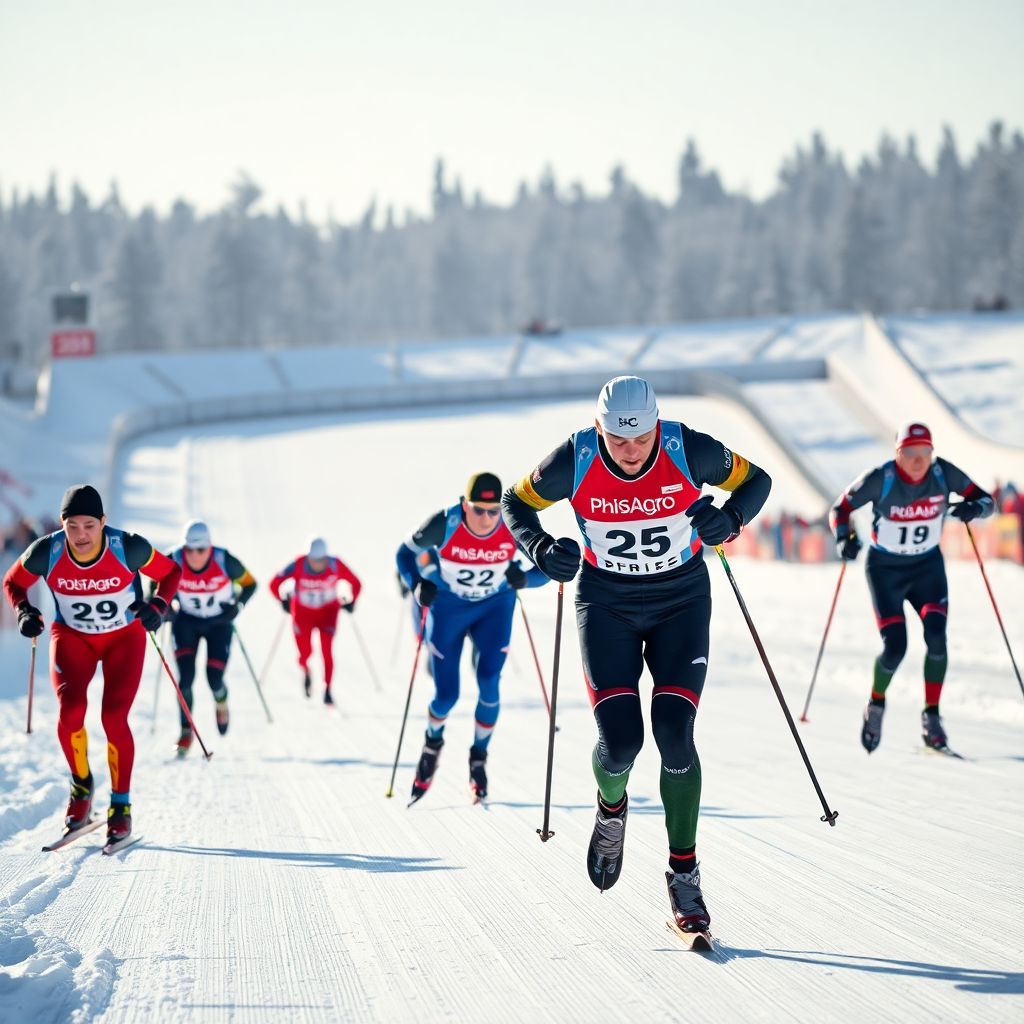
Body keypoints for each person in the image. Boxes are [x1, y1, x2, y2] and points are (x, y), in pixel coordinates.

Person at [501, 376, 771, 936]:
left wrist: (732, 518)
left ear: (656, 425)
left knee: (675, 732)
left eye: (640, 438)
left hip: (682, 600)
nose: (630, 451)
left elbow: (757, 480)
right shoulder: (572, 458)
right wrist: (542, 548)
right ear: (600, 429)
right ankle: (611, 806)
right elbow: (514, 502)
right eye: (618, 440)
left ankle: (684, 873)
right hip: (607, 604)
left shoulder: (685, 446)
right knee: (621, 742)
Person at [1, 484, 180, 845]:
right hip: (73, 637)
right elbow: (12, 582)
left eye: (89, 525)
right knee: (70, 713)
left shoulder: (128, 546)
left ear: (103, 522)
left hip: (123, 639)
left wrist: (158, 607)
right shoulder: (46, 551)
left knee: (113, 717)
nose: (81, 535)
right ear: (62, 525)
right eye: (72, 526)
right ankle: (81, 787)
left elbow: (171, 573)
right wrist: (23, 611)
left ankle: (121, 805)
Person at [831, 421, 994, 754]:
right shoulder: (882, 478)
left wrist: (972, 508)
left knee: (937, 637)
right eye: (910, 453)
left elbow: (987, 501)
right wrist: (844, 537)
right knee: (895, 647)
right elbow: (841, 508)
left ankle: (931, 717)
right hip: (886, 570)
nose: (919, 461)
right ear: (898, 453)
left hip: (926, 569)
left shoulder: (943, 474)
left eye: (925, 453)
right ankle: (876, 704)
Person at [397, 471, 548, 803]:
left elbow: (547, 569)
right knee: (446, 695)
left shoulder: (511, 522)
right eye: (479, 509)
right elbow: (403, 555)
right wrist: (417, 584)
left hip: (494, 608)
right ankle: (432, 744)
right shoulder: (445, 522)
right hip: (449, 609)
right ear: (465, 504)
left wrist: (522, 579)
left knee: (490, 679)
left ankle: (478, 760)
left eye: (493, 511)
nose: (487, 518)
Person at [164, 520, 257, 755]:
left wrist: (237, 607)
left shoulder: (225, 560)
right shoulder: (174, 559)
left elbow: (250, 584)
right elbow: (154, 586)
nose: (194, 555)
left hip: (218, 623)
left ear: (209, 546)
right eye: (190, 550)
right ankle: (186, 733)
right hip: (186, 623)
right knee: (185, 679)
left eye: (201, 550)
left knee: (214, 678)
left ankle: (221, 701)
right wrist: (162, 607)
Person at [269, 538, 361, 705]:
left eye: (321, 560)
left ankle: (327, 689)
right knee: (305, 653)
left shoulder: (335, 564)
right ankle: (306, 670)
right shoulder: (298, 564)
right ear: (308, 557)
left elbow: (356, 582)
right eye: (313, 560)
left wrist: (351, 602)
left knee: (327, 650)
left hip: (328, 613)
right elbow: (274, 583)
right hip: (303, 614)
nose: (317, 564)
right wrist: (283, 601)